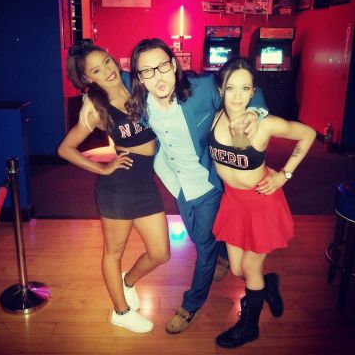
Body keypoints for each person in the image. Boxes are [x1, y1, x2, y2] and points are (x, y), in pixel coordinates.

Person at [79, 37, 269, 334]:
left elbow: (245, 86)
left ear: (174, 63)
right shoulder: (137, 90)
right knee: (200, 237)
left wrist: (253, 113)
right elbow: (107, 80)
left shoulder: (202, 88)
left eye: (163, 66)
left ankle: (190, 305)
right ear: (139, 76)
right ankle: (221, 257)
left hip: (206, 183)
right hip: (175, 184)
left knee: (203, 246)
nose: (157, 76)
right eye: (147, 71)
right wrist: (89, 100)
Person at [57, 40, 170, 333]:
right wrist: (103, 168)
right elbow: (65, 149)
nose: (107, 70)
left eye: (106, 61)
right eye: (96, 70)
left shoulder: (138, 87)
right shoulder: (96, 107)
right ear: (86, 78)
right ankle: (121, 311)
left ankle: (127, 282)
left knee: (160, 253)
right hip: (118, 188)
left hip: (145, 183)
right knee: (113, 252)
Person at [209, 57, 316, 348]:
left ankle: (250, 327)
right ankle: (268, 285)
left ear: (253, 91)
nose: (237, 96)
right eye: (231, 88)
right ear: (220, 89)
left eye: (245, 88)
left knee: (250, 268)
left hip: (262, 203)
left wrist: (285, 174)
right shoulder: (215, 118)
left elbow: (308, 134)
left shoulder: (264, 124)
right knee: (236, 269)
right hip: (233, 203)